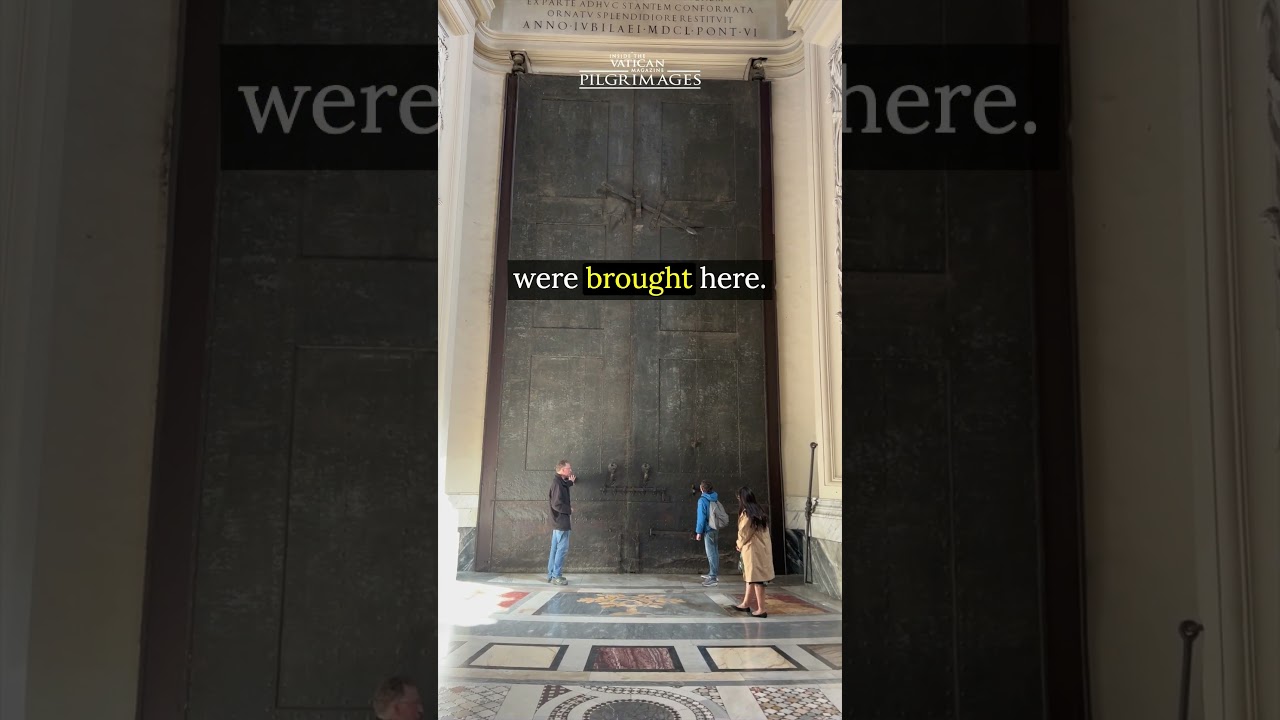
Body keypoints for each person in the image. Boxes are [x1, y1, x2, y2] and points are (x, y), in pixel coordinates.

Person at [730, 486, 774, 618]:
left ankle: (761, 609)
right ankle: (746, 603)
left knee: (757, 579)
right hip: (760, 549)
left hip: (753, 550)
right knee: (751, 578)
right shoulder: (758, 511)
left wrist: (738, 544)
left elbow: (744, 533)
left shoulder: (748, 514)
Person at [547, 459, 576, 586]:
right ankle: (556, 576)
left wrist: (570, 482)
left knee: (555, 549)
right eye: (569, 469)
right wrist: (569, 509)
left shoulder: (559, 482)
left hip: (558, 522)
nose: (570, 470)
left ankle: (551, 574)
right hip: (561, 522)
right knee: (561, 549)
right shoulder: (557, 484)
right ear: (563, 470)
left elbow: (563, 487)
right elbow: (556, 504)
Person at [694, 480, 721, 586]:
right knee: (715, 551)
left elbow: (701, 518)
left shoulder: (702, 500)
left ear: (702, 489)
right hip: (715, 527)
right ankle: (713, 573)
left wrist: (698, 532)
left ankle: (713, 577)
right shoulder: (714, 497)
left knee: (711, 553)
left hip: (708, 529)